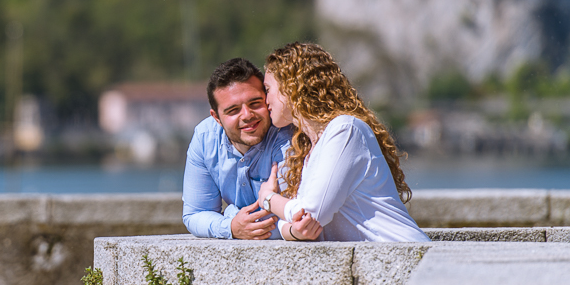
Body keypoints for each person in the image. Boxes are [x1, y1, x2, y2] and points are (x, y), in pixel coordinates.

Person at [257, 42, 429, 242]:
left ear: (290, 87)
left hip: (405, 259)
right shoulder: (310, 149)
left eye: (268, 89)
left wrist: (269, 198)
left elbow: (312, 214)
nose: (265, 100)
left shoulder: (345, 130)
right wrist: (294, 230)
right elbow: (301, 223)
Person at [182, 57, 316, 240]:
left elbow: (295, 217)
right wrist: (230, 225)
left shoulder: (288, 133)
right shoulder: (205, 138)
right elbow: (195, 214)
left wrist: (231, 214)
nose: (247, 115)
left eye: (255, 103)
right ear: (216, 117)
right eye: (233, 110)